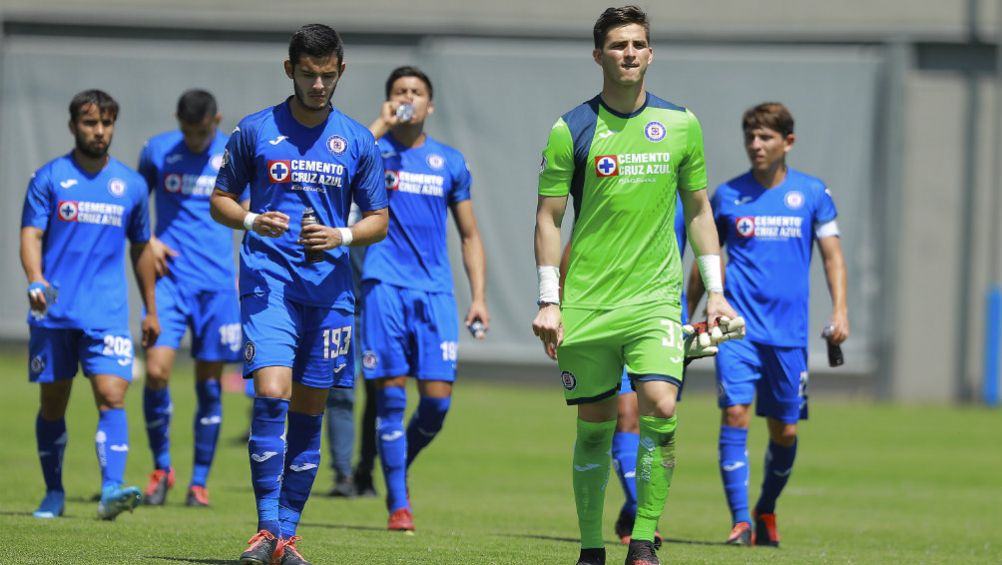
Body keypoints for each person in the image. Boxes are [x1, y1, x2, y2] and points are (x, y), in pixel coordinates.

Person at [531, 7, 739, 565]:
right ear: (598, 54)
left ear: (650, 53)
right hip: (588, 305)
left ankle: (643, 541)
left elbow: (699, 211)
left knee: (661, 406)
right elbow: (548, 219)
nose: (629, 53)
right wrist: (550, 300)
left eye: (639, 44)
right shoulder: (568, 129)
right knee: (595, 428)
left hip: (655, 300)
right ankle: (592, 548)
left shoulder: (682, 124)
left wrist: (714, 290)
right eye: (618, 44)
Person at [209, 24, 388, 565]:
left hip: (331, 292)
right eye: (308, 74)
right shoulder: (255, 131)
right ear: (289, 70)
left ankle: (286, 535)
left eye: (327, 75)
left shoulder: (357, 140)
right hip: (269, 283)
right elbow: (220, 200)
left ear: (340, 71)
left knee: (310, 409)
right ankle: (265, 529)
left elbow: (379, 219)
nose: (317, 84)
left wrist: (342, 234)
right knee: (271, 392)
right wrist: (249, 219)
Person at [686, 101, 849, 547]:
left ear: (787, 142)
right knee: (735, 413)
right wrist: (687, 310)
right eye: (750, 137)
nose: (756, 146)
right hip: (736, 328)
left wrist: (840, 312)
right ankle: (740, 521)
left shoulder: (812, 193)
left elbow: (833, 257)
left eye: (765, 138)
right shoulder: (726, 195)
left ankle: (766, 509)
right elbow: (707, 258)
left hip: (789, 336)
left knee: (785, 429)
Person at [20, 89, 160, 521]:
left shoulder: (132, 186)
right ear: (73, 126)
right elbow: (31, 235)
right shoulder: (49, 178)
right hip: (55, 313)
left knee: (112, 395)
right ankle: (54, 493)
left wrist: (150, 308)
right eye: (90, 123)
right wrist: (36, 279)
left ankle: (111, 491)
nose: (99, 131)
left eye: (106, 123)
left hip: (108, 313)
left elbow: (141, 248)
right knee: (53, 405)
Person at [361, 65, 490, 532]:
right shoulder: (372, 151)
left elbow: (470, 235)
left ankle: (397, 463)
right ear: (389, 100)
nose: (408, 97)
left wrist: (478, 297)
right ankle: (398, 503)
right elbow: (346, 164)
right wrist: (380, 124)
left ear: (430, 105)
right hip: (384, 287)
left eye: (416, 92)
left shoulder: (449, 162)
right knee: (391, 399)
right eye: (399, 91)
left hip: (435, 291)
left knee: (436, 403)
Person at [137, 89, 245, 508]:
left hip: (217, 285)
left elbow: (249, 205)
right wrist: (146, 239)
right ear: (177, 122)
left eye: (201, 132)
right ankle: (162, 468)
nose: (195, 140)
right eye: (188, 131)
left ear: (216, 120)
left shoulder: (233, 153)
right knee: (157, 372)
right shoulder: (158, 150)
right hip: (169, 281)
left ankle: (199, 481)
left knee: (209, 385)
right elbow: (132, 201)